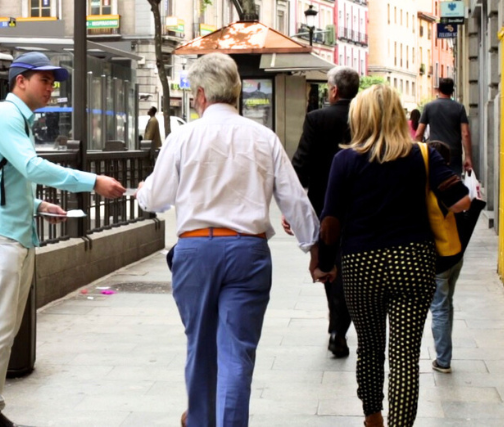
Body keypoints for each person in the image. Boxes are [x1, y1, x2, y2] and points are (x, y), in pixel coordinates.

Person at [136, 53, 319, 427]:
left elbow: (155, 199)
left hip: (196, 250)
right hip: (247, 252)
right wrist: (313, 250)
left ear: (201, 95)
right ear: (235, 92)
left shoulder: (183, 136)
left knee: (200, 348)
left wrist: (142, 191)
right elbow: (295, 198)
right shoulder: (263, 137)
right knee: (237, 353)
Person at [0, 52, 125, 427]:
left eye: (53, 81)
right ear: (20, 81)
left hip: (14, 232)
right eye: (44, 80)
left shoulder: (18, 120)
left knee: (5, 329)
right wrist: (92, 181)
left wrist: (37, 202)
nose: (51, 87)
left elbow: (5, 177)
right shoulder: (4, 116)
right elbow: (31, 166)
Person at [313, 85, 470, 427]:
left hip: (361, 264)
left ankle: (373, 418)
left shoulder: (345, 160)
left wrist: (324, 264)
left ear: (360, 118)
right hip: (412, 261)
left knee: (369, 347)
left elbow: (330, 223)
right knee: (405, 356)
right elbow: (461, 200)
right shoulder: (423, 155)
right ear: (399, 117)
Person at [287, 65, 360, 358]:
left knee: (330, 265)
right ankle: (339, 328)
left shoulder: (317, 118)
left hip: (325, 206)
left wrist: (293, 206)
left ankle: (336, 327)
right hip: (361, 205)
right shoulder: (364, 116)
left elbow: (301, 163)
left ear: (333, 90)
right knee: (351, 267)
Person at [426, 141, 464, 375]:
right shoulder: (449, 186)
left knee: (439, 307)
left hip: (438, 256)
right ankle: (445, 354)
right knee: (447, 303)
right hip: (456, 252)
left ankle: (443, 360)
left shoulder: (426, 188)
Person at [414, 77, 473, 176]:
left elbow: (418, 134)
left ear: (439, 89)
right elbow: (465, 134)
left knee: (435, 184)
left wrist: (417, 156)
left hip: (434, 152)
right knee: (454, 184)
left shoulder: (429, 107)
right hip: (454, 153)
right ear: (452, 91)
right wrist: (468, 157)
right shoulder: (459, 108)